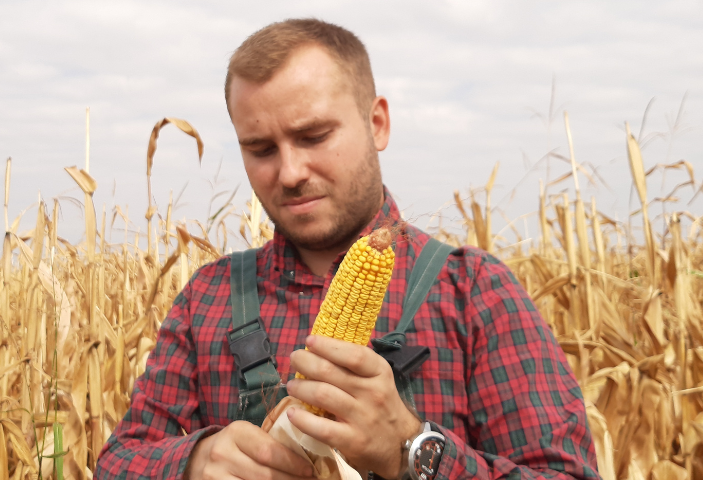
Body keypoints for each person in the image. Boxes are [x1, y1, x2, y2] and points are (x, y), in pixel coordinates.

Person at [97, 18, 599, 480]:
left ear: (377, 123)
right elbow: (119, 462)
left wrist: (414, 449)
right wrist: (195, 462)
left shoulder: (475, 292)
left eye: (313, 136)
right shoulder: (209, 297)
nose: (290, 172)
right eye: (261, 149)